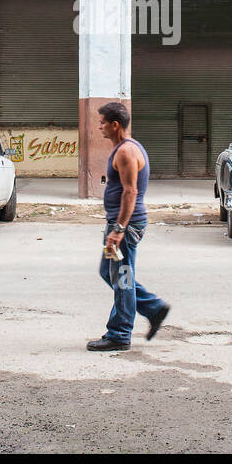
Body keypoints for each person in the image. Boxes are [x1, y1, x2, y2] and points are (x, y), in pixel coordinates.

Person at [87, 101, 169, 352]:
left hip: (126, 225)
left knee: (122, 278)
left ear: (114, 125)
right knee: (109, 272)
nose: (99, 127)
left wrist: (119, 229)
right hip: (120, 222)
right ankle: (153, 308)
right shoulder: (125, 148)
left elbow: (130, 191)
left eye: (102, 122)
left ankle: (120, 333)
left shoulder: (126, 152)